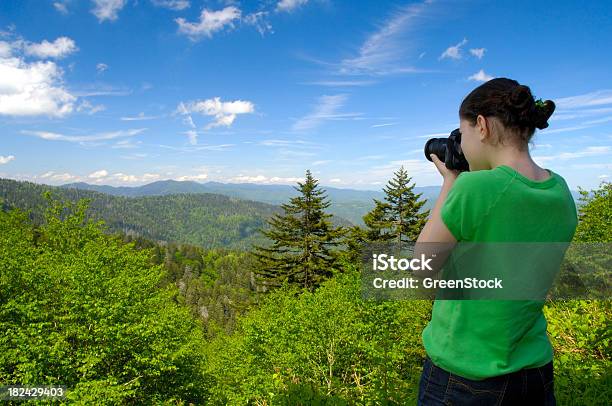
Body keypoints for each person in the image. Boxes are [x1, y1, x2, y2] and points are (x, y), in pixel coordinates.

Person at [414, 78, 578, 405]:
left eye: (463, 134)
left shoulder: (475, 188)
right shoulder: (560, 192)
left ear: (482, 126)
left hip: (464, 373)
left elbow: (420, 270)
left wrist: (451, 181)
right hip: (533, 370)